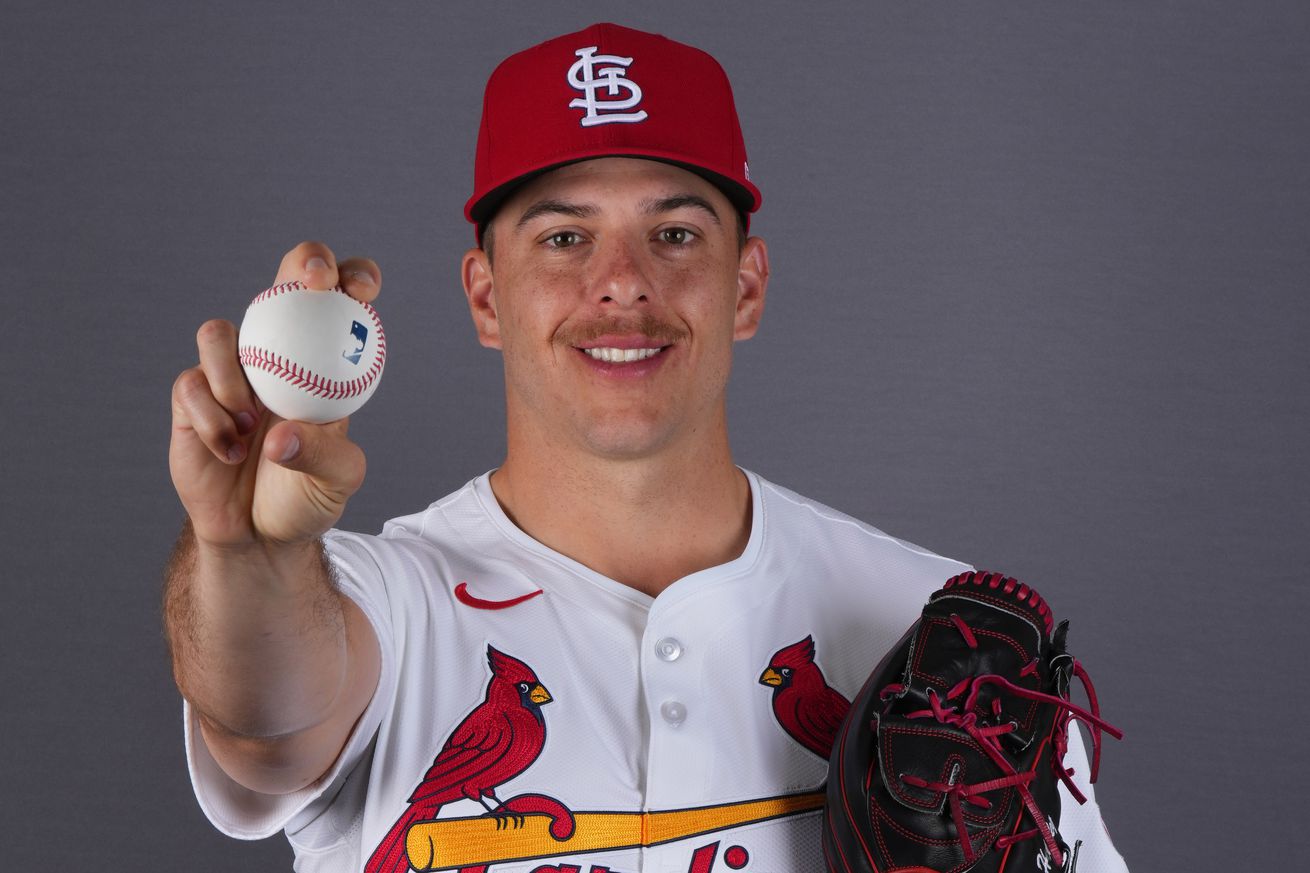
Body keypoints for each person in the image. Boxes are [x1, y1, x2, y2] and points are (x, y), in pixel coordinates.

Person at [165, 22, 1128, 873]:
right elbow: (262, 722)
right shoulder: (382, 609)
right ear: (486, 296)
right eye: (562, 239)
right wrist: (251, 554)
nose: (621, 282)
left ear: (745, 286)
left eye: (672, 231)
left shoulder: (948, 650)